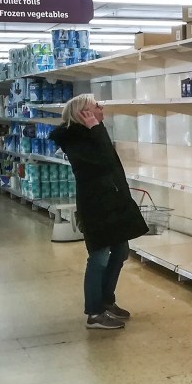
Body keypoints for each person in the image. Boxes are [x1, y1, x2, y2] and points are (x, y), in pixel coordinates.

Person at [51, 94, 148, 330]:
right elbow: (104, 160)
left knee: (121, 250)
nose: (101, 108)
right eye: (96, 106)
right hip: (96, 204)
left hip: (112, 200)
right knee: (99, 256)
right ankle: (94, 313)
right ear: (83, 114)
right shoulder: (75, 140)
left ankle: (106, 301)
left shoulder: (91, 133)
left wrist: (97, 127)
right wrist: (97, 128)